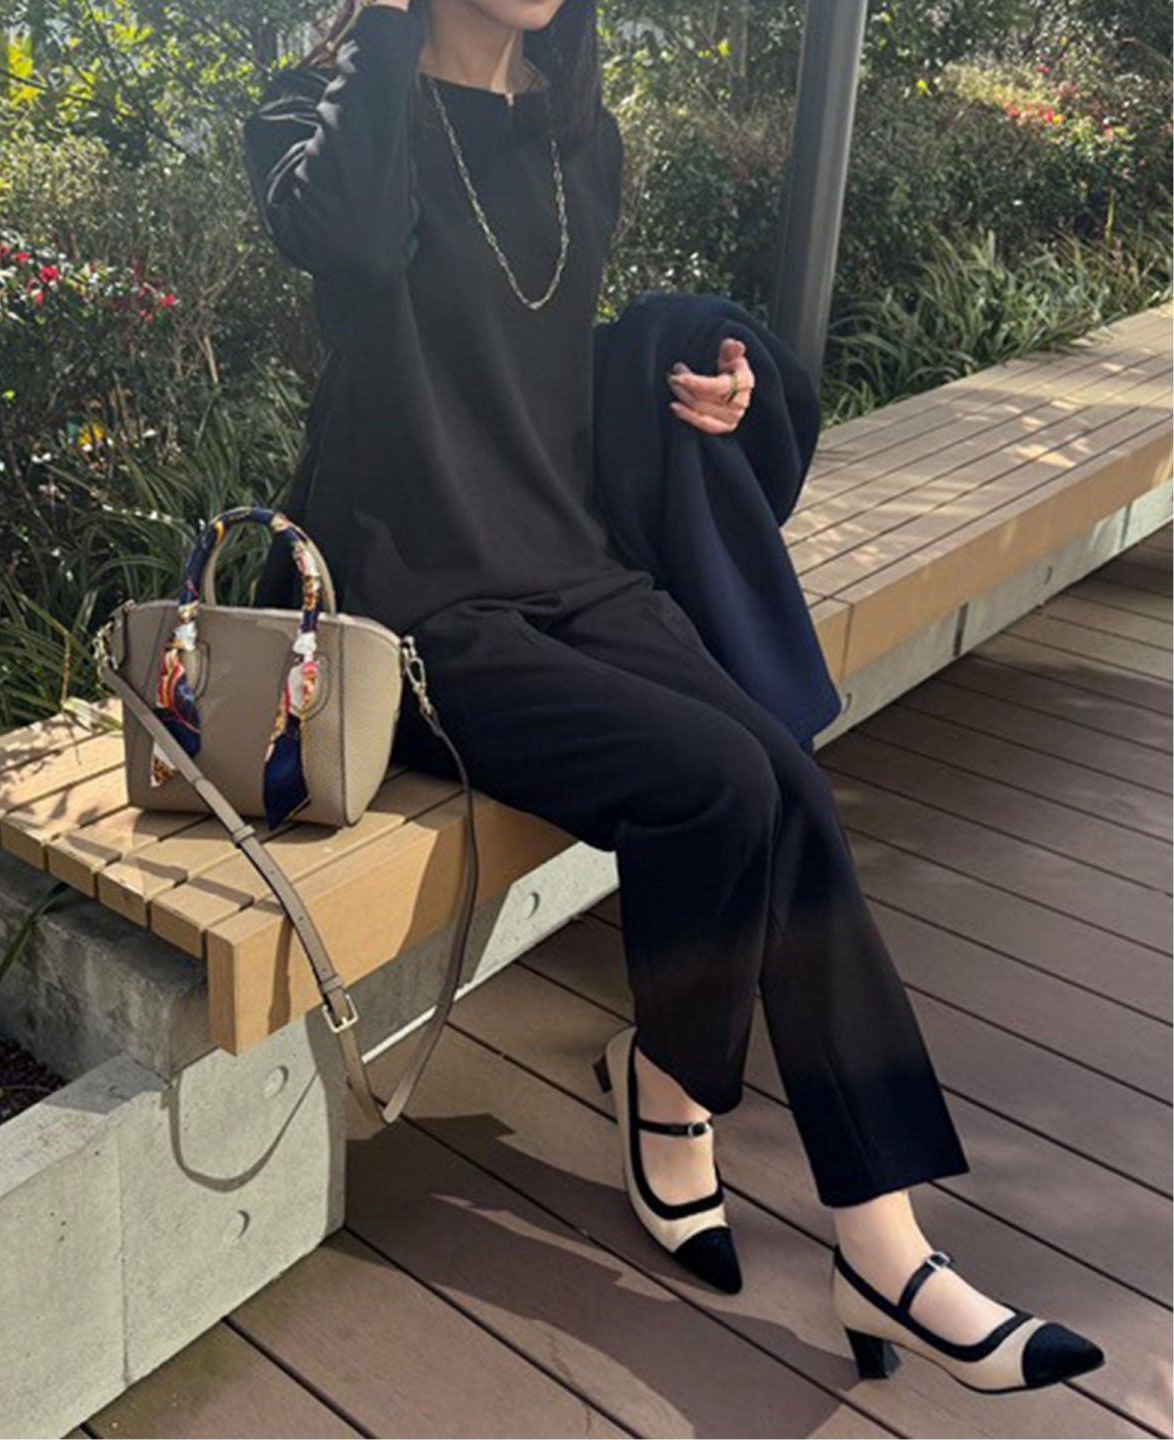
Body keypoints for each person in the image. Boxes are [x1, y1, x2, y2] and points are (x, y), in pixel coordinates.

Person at [241, 0, 1104, 1391]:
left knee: (787, 781)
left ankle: (882, 1245)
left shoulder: (577, 132)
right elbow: (349, 246)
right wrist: (390, 32)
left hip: (572, 563)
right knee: (716, 784)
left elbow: (529, 354)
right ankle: (673, 1090)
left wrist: (696, 382)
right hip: (417, 612)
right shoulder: (320, 111)